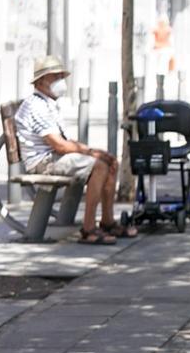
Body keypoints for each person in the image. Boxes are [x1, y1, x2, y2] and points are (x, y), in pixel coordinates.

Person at [14, 56, 137, 245]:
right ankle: (88, 229)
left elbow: (64, 142)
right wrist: (92, 153)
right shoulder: (36, 105)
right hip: (44, 162)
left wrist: (92, 151)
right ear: (40, 81)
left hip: (54, 157)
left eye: (61, 76)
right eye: (54, 77)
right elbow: (59, 145)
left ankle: (107, 221)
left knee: (110, 162)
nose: (60, 81)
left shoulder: (49, 104)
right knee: (99, 166)